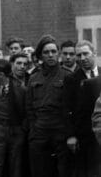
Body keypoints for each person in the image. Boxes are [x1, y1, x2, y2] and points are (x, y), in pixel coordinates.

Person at [26, 35, 71, 177]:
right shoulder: (34, 78)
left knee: (63, 170)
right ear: (40, 55)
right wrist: (34, 129)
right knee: (40, 170)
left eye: (53, 51)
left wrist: (69, 133)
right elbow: (28, 107)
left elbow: (72, 107)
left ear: (58, 53)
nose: (50, 55)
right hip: (39, 132)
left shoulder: (68, 76)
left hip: (61, 131)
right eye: (46, 52)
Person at [67, 41, 100, 177]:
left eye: (85, 54)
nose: (82, 58)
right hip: (84, 135)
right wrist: (71, 135)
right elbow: (67, 109)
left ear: (95, 53)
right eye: (79, 55)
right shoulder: (71, 79)